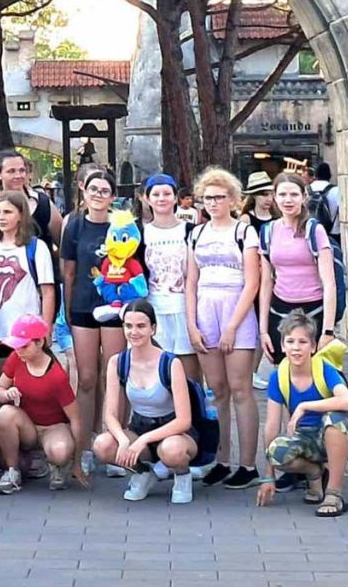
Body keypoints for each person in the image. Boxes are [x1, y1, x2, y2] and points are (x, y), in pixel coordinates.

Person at [186, 167, 261, 490]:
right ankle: (222, 459)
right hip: (206, 309)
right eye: (207, 198)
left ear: (232, 199)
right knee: (217, 390)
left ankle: (248, 463)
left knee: (241, 387)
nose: (213, 203)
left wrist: (232, 326)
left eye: (219, 197)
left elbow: (252, 282)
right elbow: (191, 281)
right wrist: (192, 324)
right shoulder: (196, 234)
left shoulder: (245, 232)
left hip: (236, 309)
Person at [92, 299, 198, 504]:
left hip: (174, 431)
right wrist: (123, 440)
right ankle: (143, 472)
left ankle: (182, 475)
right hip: (140, 425)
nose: (134, 332)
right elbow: (110, 414)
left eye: (141, 326)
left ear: (153, 329)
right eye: (128, 326)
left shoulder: (170, 362)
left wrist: (143, 440)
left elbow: (184, 420)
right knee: (103, 445)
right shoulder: (117, 362)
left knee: (172, 450)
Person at [255, 311, 348, 517]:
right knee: (276, 452)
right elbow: (272, 426)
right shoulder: (278, 376)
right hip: (305, 438)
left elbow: (347, 401)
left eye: (302, 342)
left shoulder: (324, 369)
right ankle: (314, 473)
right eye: (290, 341)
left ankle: (334, 493)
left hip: (336, 436)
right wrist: (268, 476)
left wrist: (304, 406)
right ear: (282, 346)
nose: (296, 347)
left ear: (313, 346)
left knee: (334, 421)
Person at [60, 168, 126, 475]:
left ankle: (115, 443)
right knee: (86, 378)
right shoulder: (74, 224)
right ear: (84, 192)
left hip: (114, 307)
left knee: (113, 376)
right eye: (93, 189)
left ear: (112, 196)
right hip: (83, 306)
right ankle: (85, 445)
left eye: (104, 191)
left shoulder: (122, 224)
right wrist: (68, 309)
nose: (98, 195)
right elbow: (69, 271)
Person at [0, 313, 89, 494]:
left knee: (60, 451)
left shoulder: (56, 376)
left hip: (53, 427)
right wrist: (6, 394)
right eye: (16, 346)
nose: (19, 351)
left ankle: (58, 465)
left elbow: (75, 418)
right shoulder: (16, 358)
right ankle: (12, 471)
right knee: (5, 413)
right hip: (27, 425)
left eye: (24, 346)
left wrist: (77, 462)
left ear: (39, 342)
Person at [258, 172, 338, 364]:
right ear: (275, 197)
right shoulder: (268, 231)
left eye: (294, 194)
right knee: (284, 372)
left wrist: (327, 331)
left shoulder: (314, 230)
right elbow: (266, 282)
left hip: (313, 310)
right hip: (280, 311)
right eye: (282, 194)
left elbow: (329, 283)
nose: (288, 200)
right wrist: (263, 330)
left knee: (317, 373)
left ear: (304, 197)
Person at [0, 189, 56, 357]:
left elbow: (47, 291)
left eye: (8, 212)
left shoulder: (36, 247)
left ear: (21, 215)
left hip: (27, 327)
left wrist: (45, 329)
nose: (1, 217)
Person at [141, 174, 201, 385]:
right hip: (154, 309)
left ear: (176, 198)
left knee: (189, 376)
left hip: (184, 309)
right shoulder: (140, 232)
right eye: (156, 194)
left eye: (167, 193)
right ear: (147, 199)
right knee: (159, 373)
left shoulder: (191, 231)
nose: (161, 198)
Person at [0, 150, 62, 253]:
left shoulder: (43, 204)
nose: (18, 175)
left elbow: (64, 245)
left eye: (22, 170)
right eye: (11, 171)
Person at [241, 170, 277, 390]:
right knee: (253, 326)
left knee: (269, 324)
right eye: (263, 194)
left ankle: (258, 370)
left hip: (274, 277)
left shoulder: (277, 219)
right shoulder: (246, 219)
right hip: (252, 276)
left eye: (270, 193)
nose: (268, 198)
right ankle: (249, 372)